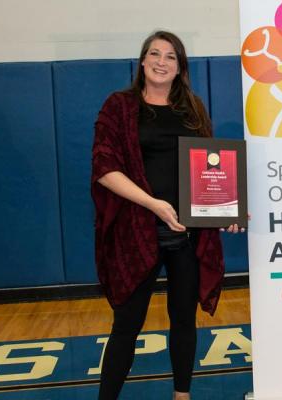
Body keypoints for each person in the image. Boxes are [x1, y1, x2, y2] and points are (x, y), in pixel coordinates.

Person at [91, 30, 241, 400]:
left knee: (184, 321)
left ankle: (182, 395)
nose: (161, 61)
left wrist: (225, 209)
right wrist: (153, 203)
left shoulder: (192, 108)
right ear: (142, 62)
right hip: (136, 233)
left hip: (186, 236)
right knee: (126, 325)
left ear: (179, 68)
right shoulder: (119, 106)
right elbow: (104, 166)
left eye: (170, 56)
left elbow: (211, 170)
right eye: (154, 54)